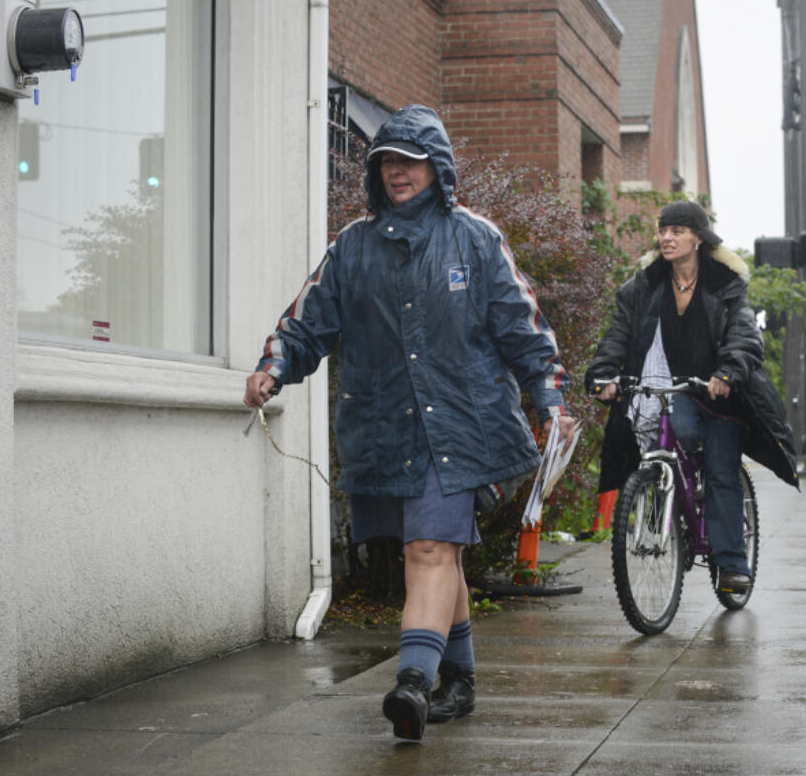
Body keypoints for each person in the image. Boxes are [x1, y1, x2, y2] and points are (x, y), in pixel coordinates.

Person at [244, 104, 575, 741]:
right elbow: (306, 321)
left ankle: (413, 684)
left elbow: (524, 330)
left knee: (429, 549)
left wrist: (550, 401)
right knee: (430, 554)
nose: (399, 172)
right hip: (385, 424)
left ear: (437, 167)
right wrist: (274, 367)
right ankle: (460, 680)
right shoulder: (353, 247)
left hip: (463, 423)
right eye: (388, 162)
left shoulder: (475, 238)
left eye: (412, 161)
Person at [584, 201, 798, 592]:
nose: (667, 237)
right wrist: (604, 374)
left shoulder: (725, 284)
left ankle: (732, 563)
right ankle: (675, 505)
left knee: (720, 470)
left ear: (698, 238)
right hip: (676, 386)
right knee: (670, 441)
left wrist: (728, 372)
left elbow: (744, 335)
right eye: (663, 230)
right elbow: (619, 335)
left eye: (677, 231)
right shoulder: (644, 286)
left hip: (720, 393)